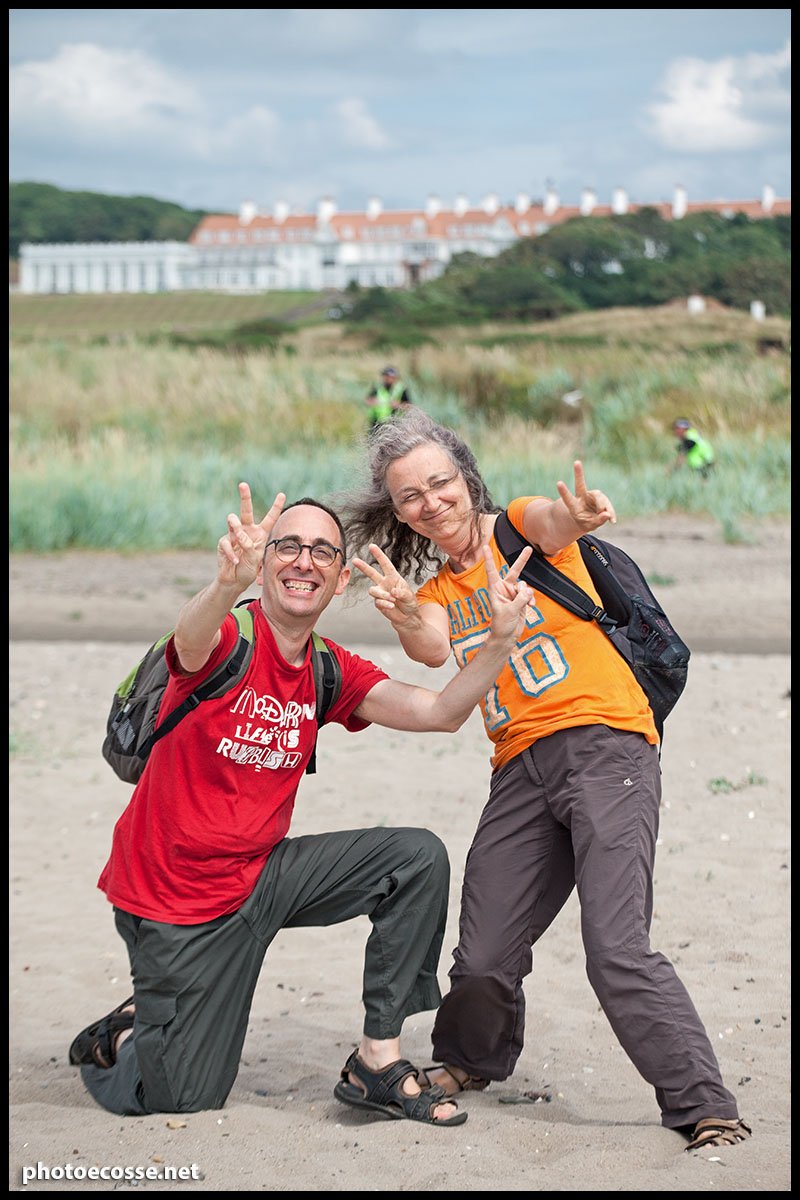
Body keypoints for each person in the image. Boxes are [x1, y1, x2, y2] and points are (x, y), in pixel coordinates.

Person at [339, 407, 752, 1153]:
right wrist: (402, 611)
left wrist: (578, 514)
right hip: (518, 770)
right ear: (398, 510)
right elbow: (433, 651)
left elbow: (555, 522)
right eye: (410, 496)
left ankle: (703, 1105)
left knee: (615, 946)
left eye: (441, 484)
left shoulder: (517, 529)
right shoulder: (434, 588)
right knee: (485, 951)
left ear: (466, 479)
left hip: (606, 746)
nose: (431, 503)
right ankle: (468, 1062)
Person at [67, 481, 534, 1129]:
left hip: (262, 877)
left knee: (414, 858)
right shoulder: (230, 636)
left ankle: (377, 1059)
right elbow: (189, 644)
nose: (304, 561)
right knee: (182, 1097)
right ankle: (125, 1033)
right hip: (174, 901)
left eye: (322, 552)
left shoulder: (326, 667)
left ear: (340, 579)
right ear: (263, 563)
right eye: (288, 546)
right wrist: (225, 585)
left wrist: (499, 641)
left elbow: (441, 712)